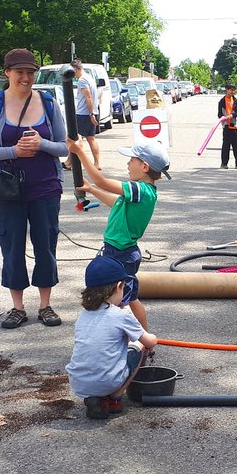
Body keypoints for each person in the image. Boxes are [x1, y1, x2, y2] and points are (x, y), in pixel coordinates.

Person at [0, 48, 69, 330]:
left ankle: (45, 305)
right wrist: (14, 151)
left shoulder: (49, 103)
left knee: (46, 244)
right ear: (7, 73)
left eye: (31, 72)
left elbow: (65, 147)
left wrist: (42, 144)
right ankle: (17, 307)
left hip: (45, 186)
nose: (26, 78)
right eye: (20, 72)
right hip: (7, 189)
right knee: (12, 245)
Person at [68, 138, 170, 332]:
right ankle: (128, 338)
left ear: (145, 166)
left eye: (132, 160)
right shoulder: (139, 193)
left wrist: (79, 152)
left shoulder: (141, 190)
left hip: (121, 254)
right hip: (117, 251)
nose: (128, 164)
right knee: (122, 299)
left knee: (125, 301)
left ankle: (143, 340)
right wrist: (91, 190)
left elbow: (102, 181)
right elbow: (115, 201)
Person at [67, 255, 158, 420]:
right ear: (119, 286)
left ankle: (97, 397)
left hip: (78, 381)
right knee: (139, 346)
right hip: (108, 380)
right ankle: (115, 398)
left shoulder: (83, 315)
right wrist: (153, 339)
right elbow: (149, 341)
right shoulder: (121, 316)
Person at [70, 59, 101, 168]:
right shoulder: (90, 77)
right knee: (91, 138)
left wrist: (90, 114)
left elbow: (88, 97)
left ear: (75, 69)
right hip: (91, 111)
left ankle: (71, 162)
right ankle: (97, 163)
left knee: (77, 137)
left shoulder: (82, 80)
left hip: (84, 113)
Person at [219, 84, 237, 168]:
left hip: (233, 125)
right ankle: (224, 164)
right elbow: (219, 114)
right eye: (231, 90)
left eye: (234, 90)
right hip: (226, 126)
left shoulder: (235, 100)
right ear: (226, 90)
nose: (233, 92)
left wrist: (232, 115)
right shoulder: (222, 101)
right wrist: (223, 118)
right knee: (226, 146)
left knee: (236, 145)